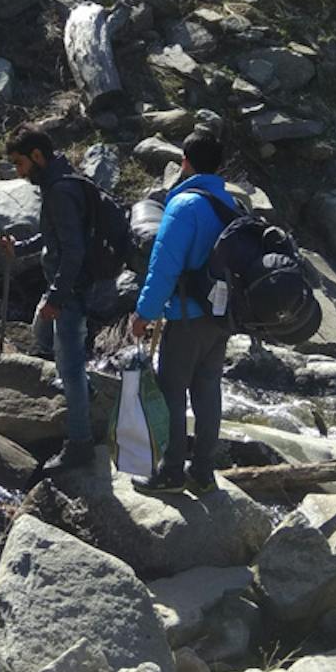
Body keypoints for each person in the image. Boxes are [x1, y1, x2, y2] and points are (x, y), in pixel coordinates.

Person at [129, 127, 231, 495]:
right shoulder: (231, 205)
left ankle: (171, 472)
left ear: (184, 163)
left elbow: (164, 265)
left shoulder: (184, 205)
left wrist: (144, 313)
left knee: (172, 389)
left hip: (186, 316)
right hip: (221, 317)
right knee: (208, 390)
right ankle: (203, 471)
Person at [0, 122, 94, 473]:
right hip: (65, 283)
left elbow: (73, 251)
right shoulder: (60, 178)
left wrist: (57, 296)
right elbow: (52, 236)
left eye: (21, 164)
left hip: (70, 287)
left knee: (68, 364)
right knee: (42, 334)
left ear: (37, 155)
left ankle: (80, 444)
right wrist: (21, 249)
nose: (20, 172)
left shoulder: (59, 190)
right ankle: (83, 389)